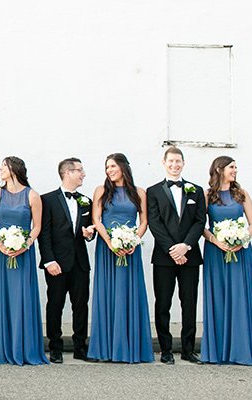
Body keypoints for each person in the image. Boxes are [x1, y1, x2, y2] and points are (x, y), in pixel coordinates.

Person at [200, 156, 252, 365]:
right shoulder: (207, 195)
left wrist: (241, 239)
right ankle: (220, 350)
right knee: (220, 297)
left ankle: (243, 349)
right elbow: (201, 225)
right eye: (232, 167)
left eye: (235, 167)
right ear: (219, 169)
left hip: (240, 253)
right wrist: (215, 240)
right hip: (216, 253)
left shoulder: (241, 194)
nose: (235, 171)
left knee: (240, 297)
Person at [87, 153, 153, 363]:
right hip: (108, 248)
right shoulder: (101, 190)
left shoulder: (139, 192)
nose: (109, 170)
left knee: (128, 293)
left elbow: (143, 222)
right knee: (108, 292)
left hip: (130, 248)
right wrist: (110, 242)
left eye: (113, 166)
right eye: (107, 167)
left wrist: (133, 241)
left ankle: (130, 346)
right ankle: (105, 348)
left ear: (124, 167)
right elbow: (96, 219)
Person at [0, 156, 47, 365]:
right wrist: (0, 243)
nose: (0, 169)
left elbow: (37, 226)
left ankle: (24, 347)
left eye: (4, 165)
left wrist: (24, 245)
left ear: (15, 169)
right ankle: (0, 348)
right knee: (1, 297)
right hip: (1, 253)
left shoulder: (33, 195)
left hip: (24, 254)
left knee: (22, 298)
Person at [145, 146, 206, 364]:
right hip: (164, 256)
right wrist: (173, 249)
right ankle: (166, 349)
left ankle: (189, 349)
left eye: (178, 161)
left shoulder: (196, 191)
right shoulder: (153, 191)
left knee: (189, 303)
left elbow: (200, 221)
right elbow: (155, 223)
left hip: (190, 256)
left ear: (183, 163)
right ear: (164, 163)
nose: (174, 165)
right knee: (163, 303)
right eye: (171, 161)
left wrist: (186, 246)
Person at [38, 157, 96, 364]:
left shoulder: (86, 201)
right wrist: (48, 261)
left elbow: (88, 233)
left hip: (80, 262)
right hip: (57, 263)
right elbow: (43, 234)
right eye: (80, 170)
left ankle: (80, 346)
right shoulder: (47, 200)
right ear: (67, 173)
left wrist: (89, 234)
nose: (83, 174)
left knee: (81, 305)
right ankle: (55, 346)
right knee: (55, 304)